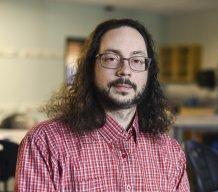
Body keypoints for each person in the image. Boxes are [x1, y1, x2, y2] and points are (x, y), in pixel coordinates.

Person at [14, 19, 190, 192]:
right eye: (111, 58)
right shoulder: (45, 143)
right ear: (91, 67)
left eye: (137, 60)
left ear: (148, 72)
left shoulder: (170, 152)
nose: (125, 70)